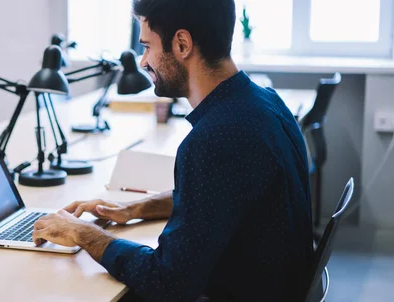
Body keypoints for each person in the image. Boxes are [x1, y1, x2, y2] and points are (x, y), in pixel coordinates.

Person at [32, 0, 314, 300]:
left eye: (147, 47)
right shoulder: (267, 103)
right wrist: (135, 209)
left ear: (181, 44)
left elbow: (167, 281)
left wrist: (83, 233)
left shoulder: (213, 141)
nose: (143, 62)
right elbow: (221, 196)